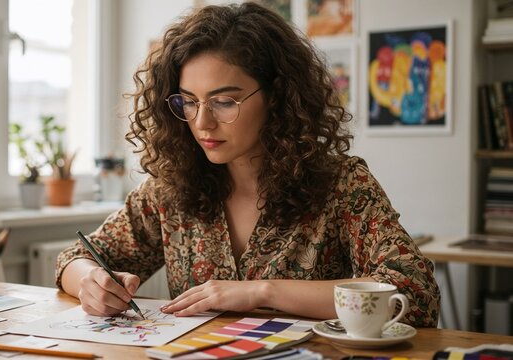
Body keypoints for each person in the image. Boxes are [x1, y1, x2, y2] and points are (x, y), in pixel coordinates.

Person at [56, 2, 440, 327]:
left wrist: (263, 291)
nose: (202, 122)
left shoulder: (342, 184)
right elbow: (76, 258)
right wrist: (92, 280)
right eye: (188, 101)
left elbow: (414, 293)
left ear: (277, 97)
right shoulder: (168, 190)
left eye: (224, 102)